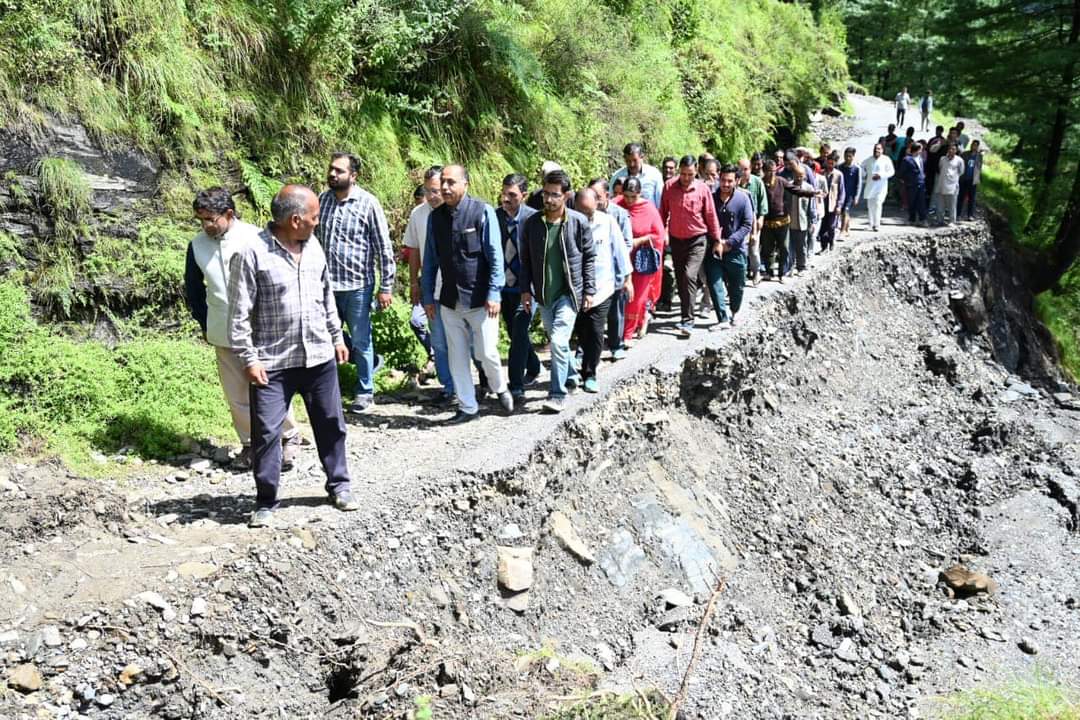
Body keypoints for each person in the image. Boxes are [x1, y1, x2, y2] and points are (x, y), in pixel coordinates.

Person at [227, 185, 358, 528]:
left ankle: (339, 486)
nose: (318, 223)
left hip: (318, 355)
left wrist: (335, 335)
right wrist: (249, 359)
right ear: (295, 220)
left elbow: (325, 294)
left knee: (331, 424)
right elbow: (239, 313)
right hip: (272, 363)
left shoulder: (312, 245)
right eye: (314, 218)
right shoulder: (252, 251)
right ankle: (266, 500)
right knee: (267, 434)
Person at [185, 188, 302, 471]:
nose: (206, 226)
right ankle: (250, 444)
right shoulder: (197, 245)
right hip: (222, 328)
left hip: (262, 328)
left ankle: (287, 437)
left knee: (269, 383)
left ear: (228, 214)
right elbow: (193, 290)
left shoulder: (257, 237)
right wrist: (204, 322)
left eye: (211, 219)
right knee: (235, 391)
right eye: (201, 220)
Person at [421, 164, 514, 423]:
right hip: (450, 301)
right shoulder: (435, 218)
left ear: (465, 184)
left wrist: (495, 292)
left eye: (451, 182)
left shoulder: (481, 212)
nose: (445, 187)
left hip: (481, 300)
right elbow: (430, 261)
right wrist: (428, 297)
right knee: (457, 357)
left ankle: (499, 386)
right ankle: (467, 407)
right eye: (443, 183)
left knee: (486, 352)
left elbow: (495, 256)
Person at [317, 152, 394, 414]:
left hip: (358, 285)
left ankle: (365, 391)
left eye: (339, 171)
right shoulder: (322, 200)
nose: (332, 174)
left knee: (361, 339)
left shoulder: (368, 203)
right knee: (325, 337)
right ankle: (328, 391)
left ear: (353, 175)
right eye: (331, 169)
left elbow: (383, 246)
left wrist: (386, 286)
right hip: (326, 285)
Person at [519, 170, 596, 414]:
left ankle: (557, 394)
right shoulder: (532, 223)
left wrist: (589, 290)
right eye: (546, 194)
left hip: (569, 294)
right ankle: (571, 374)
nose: (549, 200)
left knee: (559, 341)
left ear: (566, 196)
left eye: (555, 195)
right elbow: (526, 260)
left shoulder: (577, 222)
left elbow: (589, 257)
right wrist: (526, 291)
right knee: (558, 342)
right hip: (544, 295)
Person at [404, 166, 456, 405]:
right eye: (428, 191)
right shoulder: (418, 214)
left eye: (435, 190)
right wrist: (414, 282)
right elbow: (413, 249)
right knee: (439, 340)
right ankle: (449, 387)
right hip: (431, 287)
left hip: (459, 288)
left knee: (466, 340)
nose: (432, 196)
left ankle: (483, 379)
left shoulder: (457, 211)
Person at [573, 187, 631, 392]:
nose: (586, 217)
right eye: (582, 212)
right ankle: (575, 370)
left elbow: (620, 250)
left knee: (596, 331)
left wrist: (627, 279)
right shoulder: (568, 222)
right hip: (576, 287)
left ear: (597, 204)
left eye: (589, 212)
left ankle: (590, 373)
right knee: (581, 330)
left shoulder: (607, 222)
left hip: (603, 286)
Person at [659, 155, 722, 337]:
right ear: (679, 171)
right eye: (684, 174)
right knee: (681, 278)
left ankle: (688, 320)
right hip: (677, 240)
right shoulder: (669, 187)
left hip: (697, 240)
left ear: (696, 172)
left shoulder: (702, 189)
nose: (686, 178)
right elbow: (662, 212)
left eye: (690, 174)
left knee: (689, 275)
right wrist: (661, 233)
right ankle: (686, 316)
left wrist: (717, 239)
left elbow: (710, 215)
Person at [495, 173, 541, 398]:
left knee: (520, 331)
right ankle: (533, 367)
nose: (506, 199)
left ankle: (516, 385)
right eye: (504, 194)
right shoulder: (494, 218)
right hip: (502, 288)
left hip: (527, 289)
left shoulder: (534, 219)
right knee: (515, 334)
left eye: (512, 195)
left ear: (524, 195)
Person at [615, 177, 666, 342]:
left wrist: (639, 240)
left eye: (633, 197)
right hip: (621, 258)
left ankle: (627, 334)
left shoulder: (649, 209)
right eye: (626, 196)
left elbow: (658, 235)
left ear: (640, 193)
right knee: (620, 294)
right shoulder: (616, 205)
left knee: (636, 296)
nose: (629, 201)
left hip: (641, 259)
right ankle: (633, 321)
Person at [588, 177, 633, 361]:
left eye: (597, 196)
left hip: (614, 271)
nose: (594, 200)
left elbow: (627, 243)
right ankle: (585, 350)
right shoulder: (584, 213)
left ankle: (616, 344)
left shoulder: (619, 214)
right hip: (592, 272)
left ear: (606, 195)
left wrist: (624, 273)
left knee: (615, 311)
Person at [706, 164, 753, 327]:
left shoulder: (743, 199)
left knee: (737, 285)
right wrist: (716, 241)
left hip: (736, 250)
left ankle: (735, 311)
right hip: (714, 249)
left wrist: (730, 242)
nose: (725, 185)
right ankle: (722, 318)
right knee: (715, 283)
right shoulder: (711, 198)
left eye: (730, 181)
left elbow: (747, 224)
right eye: (723, 180)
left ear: (737, 181)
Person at [737, 157, 768, 285]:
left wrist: (761, 218)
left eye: (746, 169)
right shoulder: (735, 183)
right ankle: (741, 276)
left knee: (754, 250)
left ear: (750, 169)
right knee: (741, 251)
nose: (743, 172)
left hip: (753, 221)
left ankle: (756, 272)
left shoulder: (757, 182)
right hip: (739, 224)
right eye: (741, 169)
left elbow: (762, 203)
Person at [611, 142, 664, 209]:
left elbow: (660, 203)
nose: (631, 164)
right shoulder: (617, 177)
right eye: (628, 161)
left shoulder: (654, 175)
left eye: (635, 160)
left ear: (642, 157)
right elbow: (611, 200)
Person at [861, 143, 894, 232]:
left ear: (882, 150)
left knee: (878, 204)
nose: (877, 150)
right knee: (870, 206)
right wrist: (864, 174)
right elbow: (861, 168)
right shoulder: (868, 160)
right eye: (875, 149)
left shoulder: (886, 159)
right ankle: (870, 224)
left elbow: (891, 172)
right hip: (870, 186)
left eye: (879, 149)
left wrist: (881, 175)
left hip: (881, 187)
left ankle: (877, 225)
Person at [817, 152, 845, 253]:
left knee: (832, 226)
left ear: (835, 163)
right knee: (823, 227)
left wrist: (839, 206)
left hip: (832, 205)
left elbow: (842, 192)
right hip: (822, 205)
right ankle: (824, 247)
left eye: (832, 163)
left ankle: (831, 242)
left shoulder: (838, 175)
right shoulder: (821, 174)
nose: (830, 166)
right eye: (828, 163)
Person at [934, 143, 965, 226]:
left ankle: (951, 221)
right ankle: (939, 220)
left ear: (956, 150)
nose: (951, 150)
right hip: (941, 184)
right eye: (950, 148)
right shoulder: (942, 159)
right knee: (940, 205)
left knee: (952, 206)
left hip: (952, 186)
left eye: (953, 149)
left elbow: (961, 172)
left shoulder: (959, 160)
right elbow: (940, 168)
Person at [899, 142, 928, 226]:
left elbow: (922, 169)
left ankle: (923, 219)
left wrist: (923, 176)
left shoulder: (920, 159)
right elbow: (902, 172)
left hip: (921, 183)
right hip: (911, 184)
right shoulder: (907, 159)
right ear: (917, 150)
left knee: (921, 202)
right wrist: (906, 180)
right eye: (920, 150)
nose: (921, 151)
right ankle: (912, 219)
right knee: (912, 202)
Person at [838, 147, 862, 239]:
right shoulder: (840, 167)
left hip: (850, 195)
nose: (847, 158)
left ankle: (842, 231)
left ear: (853, 157)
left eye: (849, 156)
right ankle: (847, 229)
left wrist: (857, 196)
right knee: (842, 212)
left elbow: (859, 183)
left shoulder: (856, 169)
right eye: (846, 156)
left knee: (845, 211)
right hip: (841, 194)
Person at [959, 140, 983, 221]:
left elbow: (979, 167)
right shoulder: (965, 154)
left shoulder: (979, 156)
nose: (974, 146)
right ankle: (958, 214)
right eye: (973, 145)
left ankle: (970, 215)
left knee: (972, 198)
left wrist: (978, 178)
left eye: (976, 145)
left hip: (973, 180)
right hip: (964, 178)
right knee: (961, 197)